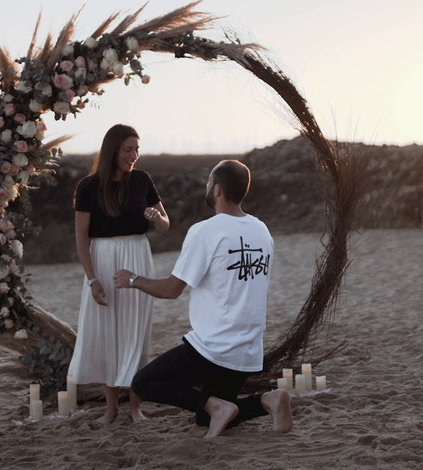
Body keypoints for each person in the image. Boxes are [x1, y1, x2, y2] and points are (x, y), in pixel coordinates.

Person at [113, 160, 292, 438]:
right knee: (205, 418)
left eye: (209, 182)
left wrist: (133, 279)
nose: (207, 187)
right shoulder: (262, 231)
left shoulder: (205, 231)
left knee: (144, 382)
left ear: (217, 189)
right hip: (247, 349)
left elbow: (171, 290)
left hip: (214, 347)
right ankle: (267, 401)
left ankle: (217, 406)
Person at [67, 124, 170, 425]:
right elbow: (81, 239)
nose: (134, 155)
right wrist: (92, 279)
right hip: (103, 259)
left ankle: (135, 407)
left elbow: (165, 223)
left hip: (138, 257)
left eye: (137, 149)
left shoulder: (142, 180)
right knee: (107, 334)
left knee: (135, 333)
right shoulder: (88, 187)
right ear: (113, 150)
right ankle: (112, 409)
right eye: (128, 149)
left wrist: (156, 217)